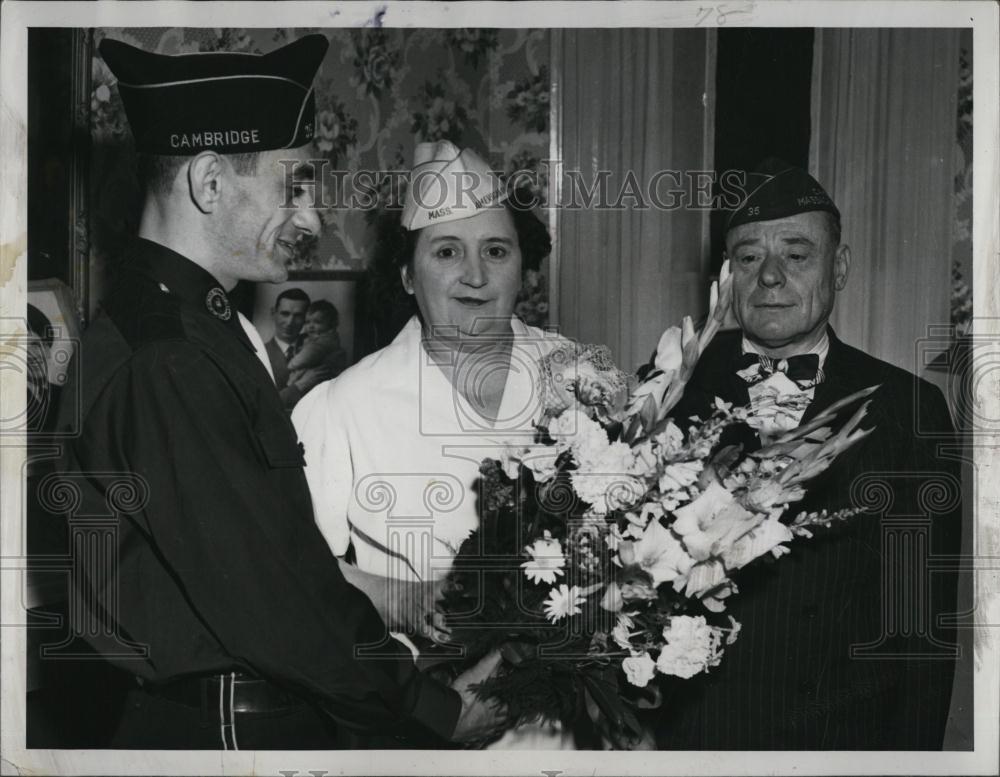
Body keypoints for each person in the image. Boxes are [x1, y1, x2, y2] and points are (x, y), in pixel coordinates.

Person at [54, 35, 504, 750]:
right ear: (209, 183)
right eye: (292, 185)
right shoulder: (171, 359)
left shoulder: (191, 327)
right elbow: (274, 603)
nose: (312, 219)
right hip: (230, 731)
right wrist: (433, 709)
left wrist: (400, 599)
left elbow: (266, 550)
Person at [653, 160, 962, 749]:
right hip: (692, 739)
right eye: (748, 257)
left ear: (838, 267)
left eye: (796, 255)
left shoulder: (908, 409)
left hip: (839, 741)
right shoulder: (669, 385)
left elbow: (922, 626)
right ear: (726, 273)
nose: (770, 277)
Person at [293, 140, 576, 749]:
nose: (475, 276)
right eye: (447, 251)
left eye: (496, 251)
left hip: (575, 726)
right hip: (430, 726)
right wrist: (401, 604)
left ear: (524, 267)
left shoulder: (581, 382)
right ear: (406, 273)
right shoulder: (344, 407)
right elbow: (295, 578)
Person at [286, 299, 348, 387]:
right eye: (307, 322)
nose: (311, 326)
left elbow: (300, 360)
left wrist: (291, 364)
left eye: (317, 322)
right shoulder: (323, 339)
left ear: (330, 324)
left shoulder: (321, 343)